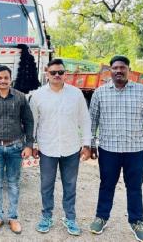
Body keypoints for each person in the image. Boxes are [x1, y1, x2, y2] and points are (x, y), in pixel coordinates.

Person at [89, 55, 143, 242]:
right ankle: (101, 217)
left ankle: (136, 221)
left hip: (136, 151)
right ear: (110, 70)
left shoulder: (142, 91)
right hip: (108, 150)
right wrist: (91, 143)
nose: (119, 71)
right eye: (115, 68)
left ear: (129, 70)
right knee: (107, 185)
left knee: (134, 187)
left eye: (122, 68)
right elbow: (92, 120)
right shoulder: (100, 93)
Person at [29, 58, 92, 236]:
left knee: (70, 185)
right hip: (47, 148)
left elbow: (85, 120)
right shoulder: (38, 95)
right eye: (53, 72)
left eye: (60, 72)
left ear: (65, 74)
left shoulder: (76, 94)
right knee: (46, 185)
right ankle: (46, 216)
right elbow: (33, 122)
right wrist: (33, 144)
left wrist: (86, 144)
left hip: (71, 148)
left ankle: (70, 218)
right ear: (46, 73)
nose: (57, 75)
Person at [0, 65, 34, 234]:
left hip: (15, 147)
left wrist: (29, 145)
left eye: (6, 78)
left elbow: (29, 121)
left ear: (11, 79)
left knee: (13, 184)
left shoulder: (20, 98)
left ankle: (13, 217)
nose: (3, 81)